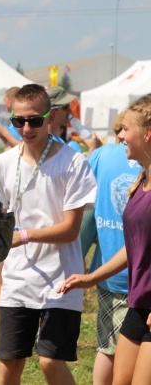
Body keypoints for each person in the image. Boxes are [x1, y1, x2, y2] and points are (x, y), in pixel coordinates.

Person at [0, 83, 96, 385]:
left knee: (50, 361)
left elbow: (70, 229)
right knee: (9, 362)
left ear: (49, 117)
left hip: (60, 281)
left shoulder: (73, 162)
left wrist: (24, 236)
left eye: (34, 120)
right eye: (18, 121)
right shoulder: (3, 164)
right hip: (17, 280)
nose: (26, 127)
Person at [58, 95, 151, 385]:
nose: (120, 135)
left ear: (148, 134)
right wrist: (91, 276)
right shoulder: (142, 181)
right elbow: (135, 246)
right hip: (139, 301)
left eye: (126, 129)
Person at [81, 111, 141, 385]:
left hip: (113, 276)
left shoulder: (101, 156)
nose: (121, 136)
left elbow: (88, 215)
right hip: (124, 275)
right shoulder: (140, 175)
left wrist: (77, 257)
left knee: (107, 348)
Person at [46, 86, 82, 153]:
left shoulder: (57, 141)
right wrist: (92, 148)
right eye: (65, 107)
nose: (70, 111)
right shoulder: (44, 143)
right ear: (52, 111)